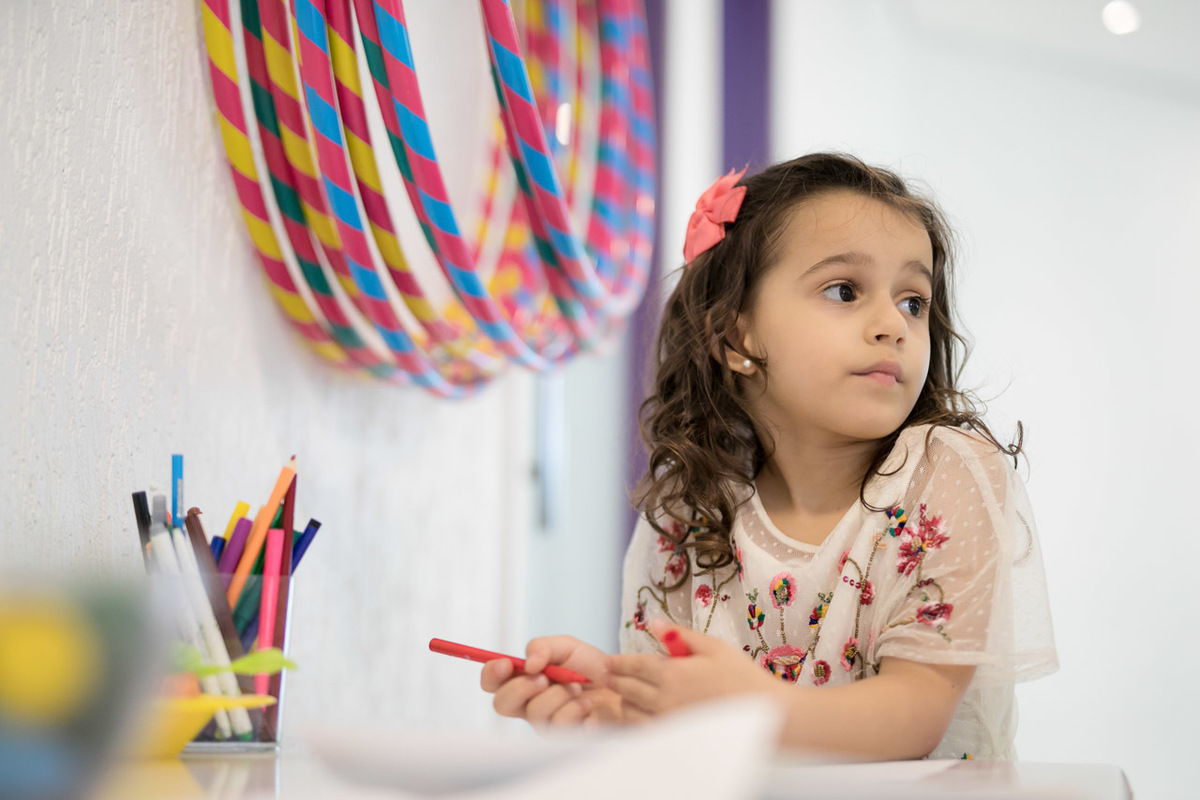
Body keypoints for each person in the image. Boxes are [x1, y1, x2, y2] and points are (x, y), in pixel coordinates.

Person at [482, 153, 1057, 760]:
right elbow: (680, 735)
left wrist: (747, 704)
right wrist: (609, 708)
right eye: (845, 291)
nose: (894, 323)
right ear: (736, 339)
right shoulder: (690, 505)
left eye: (914, 300)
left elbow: (913, 718)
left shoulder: (947, 474)